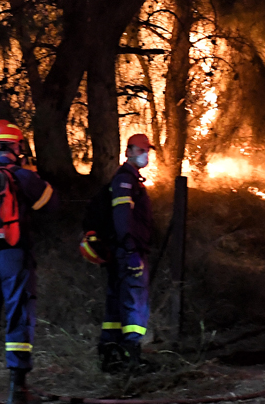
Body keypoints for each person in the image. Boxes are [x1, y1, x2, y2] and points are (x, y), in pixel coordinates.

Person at [0, 120, 58, 404]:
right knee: (18, 314)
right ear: (17, 146)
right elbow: (50, 205)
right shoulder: (22, 176)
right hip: (13, 255)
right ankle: (18, 390)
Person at [98, 134, 154, 372]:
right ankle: (132, 357)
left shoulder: (129, 180)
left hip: (120, 251)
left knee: (116, 303)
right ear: (129, 151)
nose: (145, 155)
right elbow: (122, 218)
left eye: (146, 151)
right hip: (128, 252)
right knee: (135, 302)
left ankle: (112, 354)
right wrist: (131, 250)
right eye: (141, 150)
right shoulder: (125, 181)